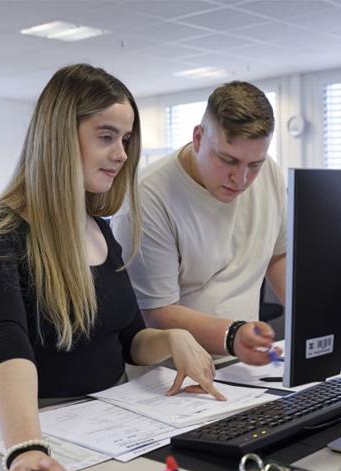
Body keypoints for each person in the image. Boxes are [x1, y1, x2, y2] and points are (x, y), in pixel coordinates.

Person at [0, 64, 224, 471]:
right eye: (106, 136)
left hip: (112, 426)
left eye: (125, 139)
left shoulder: (99, 229)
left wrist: (173, 338)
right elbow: (8, 346)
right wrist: (26, 448)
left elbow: (128, 341)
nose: (121, 154)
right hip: (40, 430)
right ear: (60, 138)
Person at [112, 81, 286, 365]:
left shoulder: (271, 175)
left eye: (254, 164)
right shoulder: (148, 196)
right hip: (174, 375)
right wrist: (232, 336)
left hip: (245, 365)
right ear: (198, 138)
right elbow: (155, 312)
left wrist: (310, 321)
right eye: (228, 160)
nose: (241, 179)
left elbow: (278, 256)